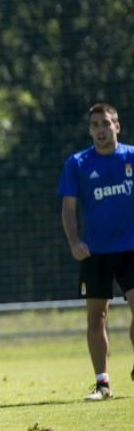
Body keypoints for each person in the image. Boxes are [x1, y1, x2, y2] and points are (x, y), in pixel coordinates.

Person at [58, 102, 134, 401]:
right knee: (96, 317)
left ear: (117, 126)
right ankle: (102, 384)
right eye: (95, 125)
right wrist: (75, 242)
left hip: (131, 249)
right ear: (90, 130)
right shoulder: (77, 163)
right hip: (96, 252)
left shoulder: (131, 158)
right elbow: (68, 207)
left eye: (106, 123)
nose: (101, 130)